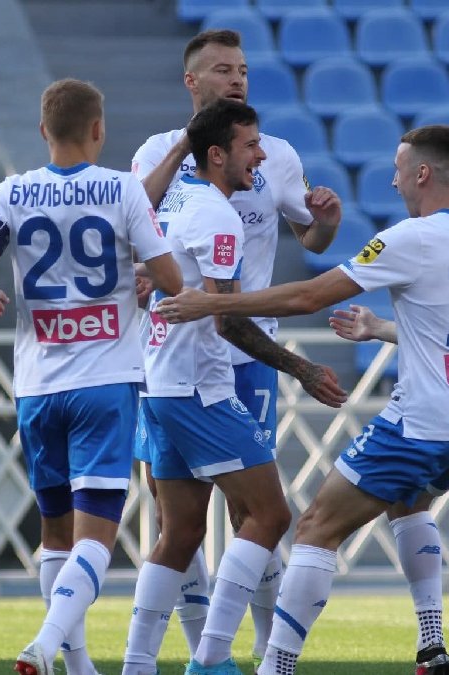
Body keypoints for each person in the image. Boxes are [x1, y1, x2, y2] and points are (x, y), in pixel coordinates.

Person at [157, 124, 449, 675]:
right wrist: (380, 329)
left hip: (423, 420)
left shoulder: (410, 238)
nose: (393, 183)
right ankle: (432, 644)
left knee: (316, 526)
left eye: (398, 171)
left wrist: (212, 303)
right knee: (408, 503)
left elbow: (309, 296)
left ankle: (276, 666)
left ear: (421, 173)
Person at [0, 79, 183, 675]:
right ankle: (45, 643)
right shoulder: (122, 189)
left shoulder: (13, 192)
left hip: (37, 385)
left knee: (54, 532)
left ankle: (77, 667)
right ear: (98, 129)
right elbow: (172, 280)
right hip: (104, 380)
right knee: (96, 536)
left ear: (43, 131)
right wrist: (139, 273)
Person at [129, 28, 343, 666]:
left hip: (243, 358)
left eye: (243, 70)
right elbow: (134, 220)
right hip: (198, 353)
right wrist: (187, 145)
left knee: (238, 511)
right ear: (192, 81)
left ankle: (242, 645)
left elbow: (311, 241)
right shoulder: (160, 153)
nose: (237, 79)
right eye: (223, 70)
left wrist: (325, 223)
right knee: (219, 515)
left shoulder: (275, 156)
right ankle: (207, 652)